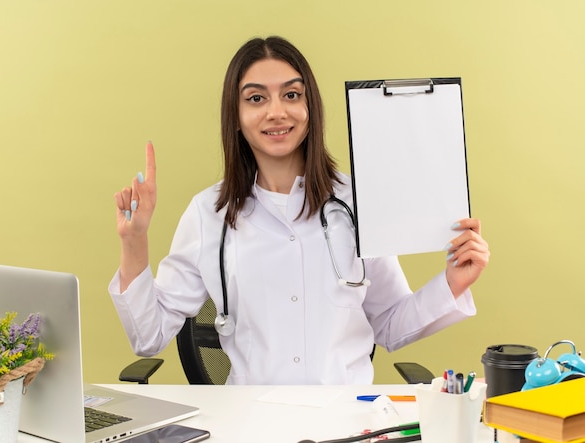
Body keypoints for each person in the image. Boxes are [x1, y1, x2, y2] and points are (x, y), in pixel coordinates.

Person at [109, 36, 490, 385]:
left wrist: (453, 282)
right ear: (236, 117)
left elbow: (389, 323)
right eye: (256, 99)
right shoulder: (209, 213)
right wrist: (135, 242)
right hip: (249, 422)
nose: (277, 112)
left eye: (291, 95)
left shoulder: (355, 203)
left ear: (310, 109)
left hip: (346, 419)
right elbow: (149, 336)